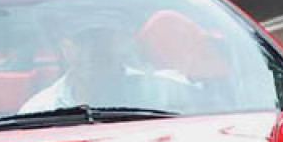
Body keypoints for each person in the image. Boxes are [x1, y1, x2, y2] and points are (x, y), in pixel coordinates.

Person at [19, 13, 183, 114]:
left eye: (102, 38)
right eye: (81, 41)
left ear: (122, 42)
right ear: (64, 46)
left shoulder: (166, 93)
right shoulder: (40, 110)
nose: (92, 51)